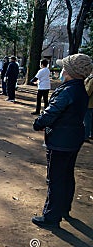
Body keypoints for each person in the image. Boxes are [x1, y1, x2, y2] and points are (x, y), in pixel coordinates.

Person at [32, 53, 92, 228]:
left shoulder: (68, 90)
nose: (62, 70)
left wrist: (39, 124)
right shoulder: (80, 88)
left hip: (61, 140)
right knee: (66, 175)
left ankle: (51, 216)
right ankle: (64, 208)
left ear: (70, 71)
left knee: (56, 178)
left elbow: (52, 112)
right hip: (73, 138)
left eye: (64, 67)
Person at [84, 73, 93, 142]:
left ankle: (86, 136)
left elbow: (88, 92)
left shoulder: (91, 80)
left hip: (89, 103)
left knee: (87, 120)